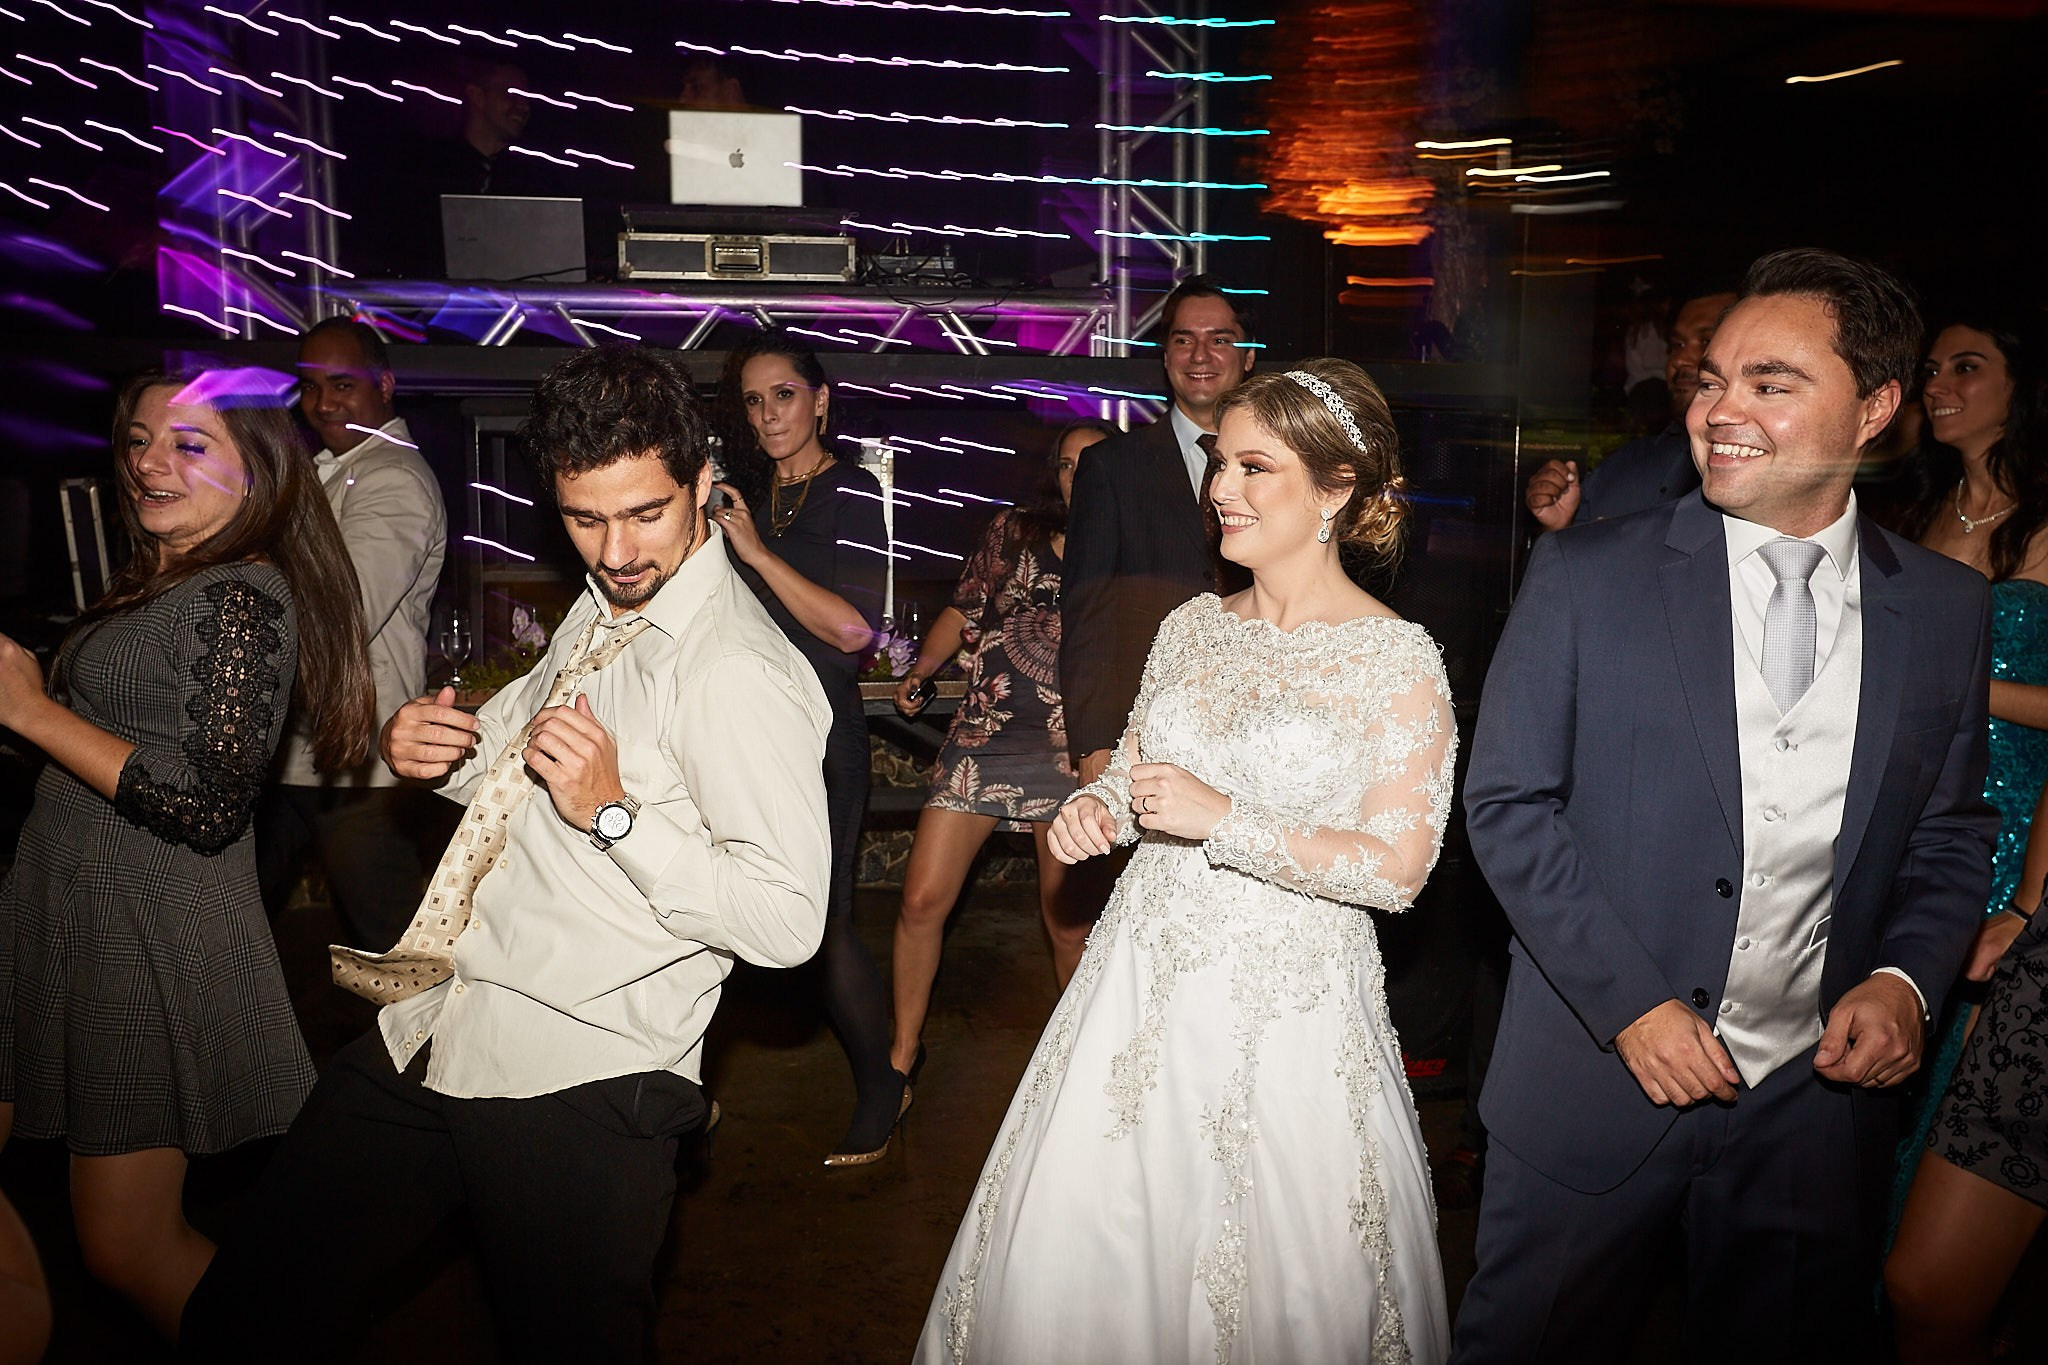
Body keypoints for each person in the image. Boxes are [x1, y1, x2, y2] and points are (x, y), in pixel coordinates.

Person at [181, 345, 831, 1362]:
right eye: (584, 519)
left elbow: (786, 924)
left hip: (585, 1078)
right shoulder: (608, 604)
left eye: (645, 514)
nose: (614, 551)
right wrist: (428, 750)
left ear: (705, 484)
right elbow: (509, 758)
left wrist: (613, 814)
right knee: (247, 1309)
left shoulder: (735, 671)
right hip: (444, 1022)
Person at [1454, 249, 1998, 1362]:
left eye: (1768, 382)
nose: (1719, 409)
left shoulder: (1944, 610)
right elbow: (1507, 803)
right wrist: (1631, 1009)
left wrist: (1903, 980)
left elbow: (1948, 832)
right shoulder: (1588, 575)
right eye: (1709, 379)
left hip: (1812, 1117)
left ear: (1875, 407)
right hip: (1593, 1093)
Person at [918, 359, 1456, 1364]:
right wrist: (1096, 805)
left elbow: (1396, 870)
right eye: (1219, 462)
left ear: (1336, 489)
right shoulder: (1190, 628)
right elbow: (1134, 771)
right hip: (1135, 993)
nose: (1220, 490)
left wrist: (1223, 818)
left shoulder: (1395, 661)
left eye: (1257, 467)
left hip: (1286, 1016)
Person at [0, 369, 374, 1339]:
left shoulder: (244, 598)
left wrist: (35, 713)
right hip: (63, 910)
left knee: (127, 1246)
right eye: (136, 440)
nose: (149, 463)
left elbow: (206, 805)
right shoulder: (160, 578)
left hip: (145, 929)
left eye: (188, 443)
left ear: (257, 472)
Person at [1883, 314, 2048, 1361]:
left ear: (2019, 384)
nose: (1937, 384)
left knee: (1964, 1085)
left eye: (1964, 366)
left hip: (2012, 827)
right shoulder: (1908, 507)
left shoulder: (2046, 521)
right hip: (1914, 814)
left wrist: (1951, 686)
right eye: (1930, 368)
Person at [712, 331, 896, 1165]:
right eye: (753, 400)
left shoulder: (850, 490)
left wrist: (751, 549)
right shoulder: (741, 494)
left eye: (783, 394)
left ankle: (884, 1083)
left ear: (820, 400)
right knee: (710, 908)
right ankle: (678, 1087)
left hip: (821, 732)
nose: (768, 413)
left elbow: (854, 628)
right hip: (741, 728)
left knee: (824, 924)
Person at [888, 421, 1109, 1078]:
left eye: (1093, 465)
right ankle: (900, 1059)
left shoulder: (1126, 551)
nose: (1079, 478)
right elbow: (962, 610)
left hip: (1071, 752)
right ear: (1055, 474)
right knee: (921, 899)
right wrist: (922, 669)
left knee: (1068, 927)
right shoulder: (1013, 533)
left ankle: (1087, 1072)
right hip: (984, 734)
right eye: (1068, 465)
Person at [259, 317, 448, 948]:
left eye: (342, 384)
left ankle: (427, 1047)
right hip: (305, 750)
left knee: (394, 950)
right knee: (234, 926)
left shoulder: (391, 477)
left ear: (385, 386)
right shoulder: (327, 470)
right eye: (310, 387)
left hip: (362, 757)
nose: (323, 402)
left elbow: (346, 612)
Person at [1060, 274, 1255, 790]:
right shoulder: (1110, 467)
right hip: (1143, 726)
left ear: (1248, 358)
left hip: (1259, 714)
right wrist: (1094, 741)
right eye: (1183, 339)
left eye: (1220, 340)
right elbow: (1089, 611)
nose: (1200, 355)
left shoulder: (1281, 466)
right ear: (1165, 357)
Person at [1524, 284, 1738, 530]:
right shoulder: (1624, 466)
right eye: (1677, 344)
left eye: (1705, 341)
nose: (1680, 359)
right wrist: (1561, 530)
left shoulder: (1768, 476)